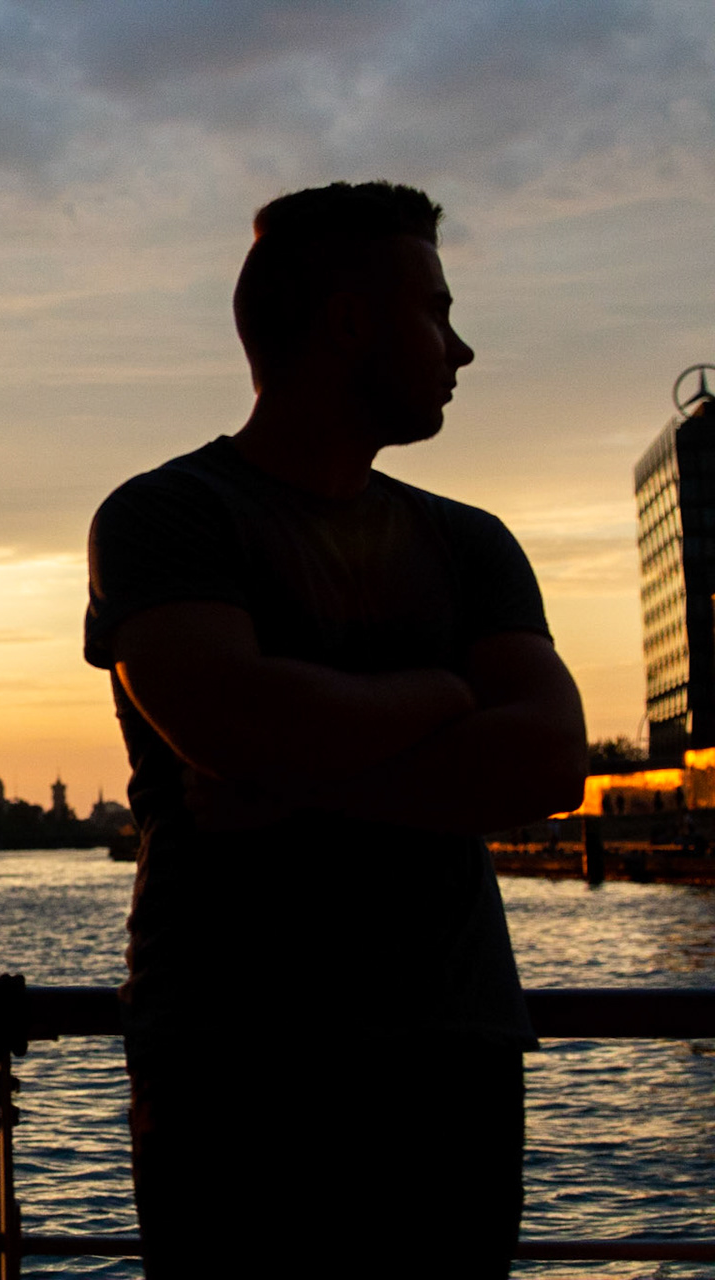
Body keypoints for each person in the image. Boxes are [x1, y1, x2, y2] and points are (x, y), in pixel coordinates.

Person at [83, 182, 587, 1277]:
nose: (461, 349)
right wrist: (444, 692)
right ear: (351, 323)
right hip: (235, 1068)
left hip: (450, 1061)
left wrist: (295, 777)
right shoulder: (168, 517)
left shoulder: (471, 540)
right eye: (437, 313)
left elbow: (551, 760)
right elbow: (241, 721)